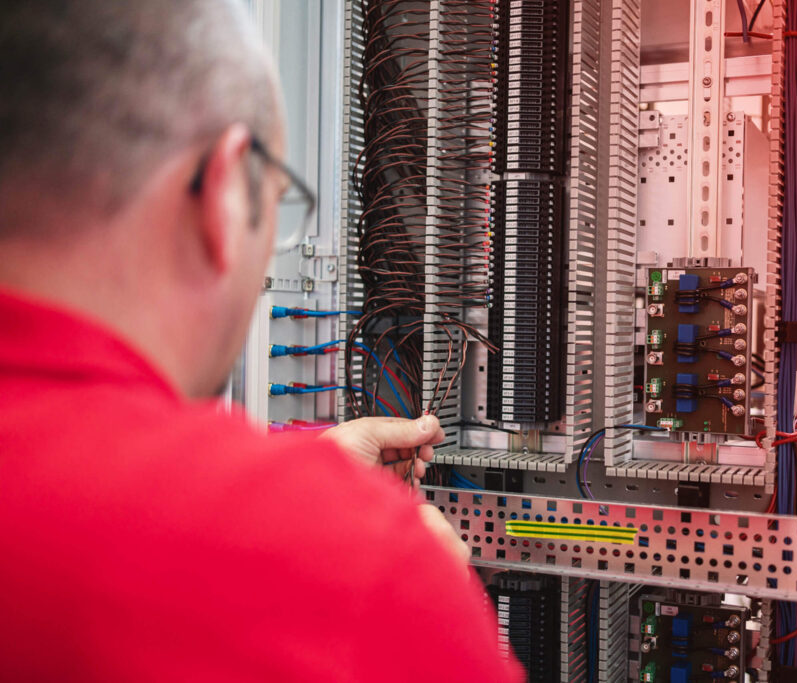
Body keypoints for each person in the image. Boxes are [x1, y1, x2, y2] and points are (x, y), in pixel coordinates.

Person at [0, 1, 522, 680]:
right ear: (224, 192)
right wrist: (415, 583)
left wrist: (309, 475)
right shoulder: (363, 570)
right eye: (279, 203)